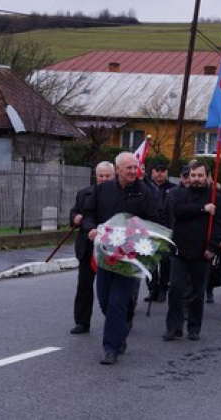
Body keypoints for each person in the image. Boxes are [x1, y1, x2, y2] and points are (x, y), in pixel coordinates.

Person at [82, 152, 160, 365]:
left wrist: (139, 233)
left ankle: (111, 348)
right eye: (129, 168)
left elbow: (154, 220)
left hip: (128, 257)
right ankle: (122, 326)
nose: (133, 172)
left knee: (117, 301)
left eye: (135, 168)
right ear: (118, 170)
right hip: (105, 254)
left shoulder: (145, 193)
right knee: (106, 300)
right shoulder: (103, 190)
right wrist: (90, 229)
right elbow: (88, 214)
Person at [162, 161, 221, 342]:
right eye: (193, 175)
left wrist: (212, 247)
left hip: (202, 252)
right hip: (180, 250)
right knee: (176, 289)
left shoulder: (216, 198)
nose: (196, 179)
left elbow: (220, 224)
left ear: (207, 176)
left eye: (200, 176)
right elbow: (178, 211)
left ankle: (194, 328)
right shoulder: (179, 193)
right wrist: (202, 209)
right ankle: (174, 327)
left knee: (197, 292)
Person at [69, 161, 114, 335]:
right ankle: (81, 321)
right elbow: (73, 211)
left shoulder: (119, 195)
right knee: (84, 286)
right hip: (87, 247)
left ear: (113, 175)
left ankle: (118, 319)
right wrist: (75, 217)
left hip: (110, 248)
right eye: (100, 176)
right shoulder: (84, 193)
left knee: (110, 288)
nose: (103, 179)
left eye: (107, 176)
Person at [144, 161, 177, 303]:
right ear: (152, 172)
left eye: (162, 171)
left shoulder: (173, 189)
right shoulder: (146, 188)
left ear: (167, 173)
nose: (159, 174)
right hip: (149, 230)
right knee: (149, 262)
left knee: (164, 260)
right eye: (157, 171)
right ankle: (152, 288)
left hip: (165, 230)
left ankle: (164, 288)